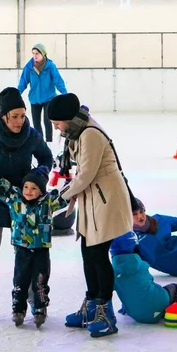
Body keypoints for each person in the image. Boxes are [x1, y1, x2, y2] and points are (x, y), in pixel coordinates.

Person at [48, 93, 133, 339]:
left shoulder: (90, 134)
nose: (56, 128)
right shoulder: (78, 131)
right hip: (92, 199)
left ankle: (106, 314)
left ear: (68, 119)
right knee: (88, 251)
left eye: (57, 123)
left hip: (105, 199)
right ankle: (92, 306)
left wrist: (60, 197)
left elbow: (85, 175)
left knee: (97, 254)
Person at [0, 87, 53, 317]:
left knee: (25, 254)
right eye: (14, 116)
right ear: (3, 116)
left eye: (22, 115)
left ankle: (33, 299)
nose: (19, 121)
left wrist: (40, 176)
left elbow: (46, 157)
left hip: (23, 205)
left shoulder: (31, 135)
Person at [0, 166, 67, 328]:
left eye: (34, 188)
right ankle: (18, 309)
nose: (28, 191)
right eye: (26, 187)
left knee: (40, 280)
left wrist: (67, 186)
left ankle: (40, 308)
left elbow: (65, 198)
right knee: (20, 280)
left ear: (41, 191)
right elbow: (1, 189)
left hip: (41, 249)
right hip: (21, 248)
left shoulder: (47, 203)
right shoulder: (14, 199)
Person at [111, 231, 177, 324]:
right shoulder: (140, 264)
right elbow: (146, 282)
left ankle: (169, 309)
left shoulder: (112, 271)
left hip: (139, 316)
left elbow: (128, 287)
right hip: (158, 302)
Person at [18, 43, 67, 144]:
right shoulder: (29, 67)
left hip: (49, 98)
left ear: (43, 54)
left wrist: (65, 93)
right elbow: (23, 82)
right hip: (34, 99)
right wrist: (17, 93)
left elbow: (58, 80)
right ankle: (39, 141)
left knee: (47, 120)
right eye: (33, 53)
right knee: (36, 122)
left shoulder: (50, 66)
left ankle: (49, 141)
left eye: (37, 53)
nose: (35, 56)